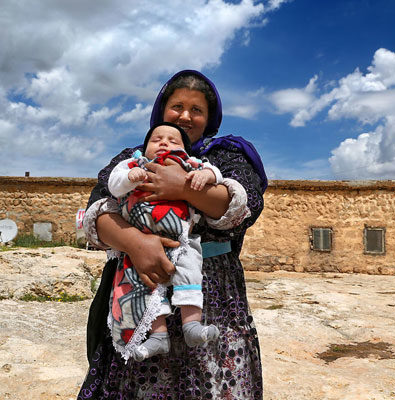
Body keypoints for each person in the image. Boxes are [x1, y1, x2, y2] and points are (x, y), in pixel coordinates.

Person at [78, 70, 268, 399]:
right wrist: (135, 243)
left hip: (212, 295)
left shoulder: (225, 156)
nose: (185, 116)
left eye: (197, 110)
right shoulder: (132, 159)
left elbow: (242, 205)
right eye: (177, 106)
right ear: (161, 110)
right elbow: (96, 213)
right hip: (141, 281)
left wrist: (181, 186)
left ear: (210, 118)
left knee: (213, 380)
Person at [107, 121, 223, 362]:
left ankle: (192, 325)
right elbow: (114, 185)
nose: (164, 143)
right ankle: (158, 335)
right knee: (146, 285)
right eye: (157, 139)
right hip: (142, 243)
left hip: (181, 240)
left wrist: (205, 175)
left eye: (173, 140)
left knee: (190, 273)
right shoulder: (132, 163)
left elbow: (216, 174)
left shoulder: (189, 164)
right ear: (145, 145)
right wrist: (130, 177)